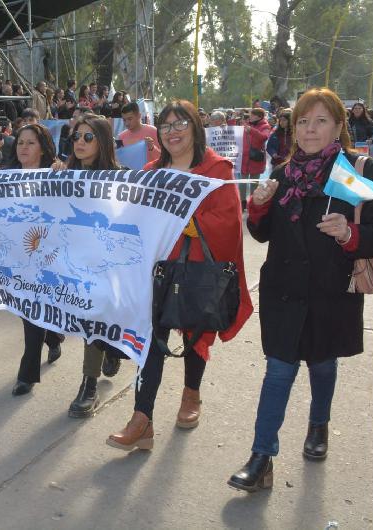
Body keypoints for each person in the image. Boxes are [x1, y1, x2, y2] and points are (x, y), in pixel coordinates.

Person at [228, 88, 373, 492]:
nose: (310, 130)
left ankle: (319, 423)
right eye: (303, 122)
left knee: (323, 364)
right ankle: (262, 457)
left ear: (338, 127)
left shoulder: (359, 172)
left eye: (320, 121)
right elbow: (262, 234)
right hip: (283, 292)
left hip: (332, 293)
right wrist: (257, 208)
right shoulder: (280, 175)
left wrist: (350, 234)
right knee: (278, 370)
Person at [107, 99, 252, 450]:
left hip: (198, 267)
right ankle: (142, 420)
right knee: (150, 342)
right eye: (167, 125)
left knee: (194, 334)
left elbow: (230, 221)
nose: (173, 132)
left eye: (180, 124)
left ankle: (191, 394)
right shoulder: (151, 172)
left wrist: (190, 225)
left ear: (195, 128)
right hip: (157, 269)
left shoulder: (218, 170)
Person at [0, 124, 65, 395]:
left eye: (30, 143)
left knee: (37, 309)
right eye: (20, 143)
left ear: (43, 148)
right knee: (30, 310)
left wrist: (64, 173)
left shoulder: (56, 174)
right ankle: (50, 341)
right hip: (19, 260)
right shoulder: (5, 178)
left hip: (49, 256)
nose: (23, 148)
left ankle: (30, 368)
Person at [51, 114, 125, 417]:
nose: (79, 142)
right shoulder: (63, 174)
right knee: (90, 321)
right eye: (75, 137)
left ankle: (89, 385)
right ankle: (105, 353)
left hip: (110, 265)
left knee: (97, 319)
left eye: (88, 137)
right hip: (76, 263)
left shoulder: (121, 177)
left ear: (103, 140)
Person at [240, 107, 272, 208]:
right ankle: (242, 202)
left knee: (254, 184)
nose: (250, 117)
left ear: (259, 117)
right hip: (244, 159)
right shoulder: (247, 124)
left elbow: (264, 137)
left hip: (255, 160)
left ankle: (252, 203)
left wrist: (252, 131)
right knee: (242, 183)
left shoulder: (265, 126)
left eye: (252, 115)